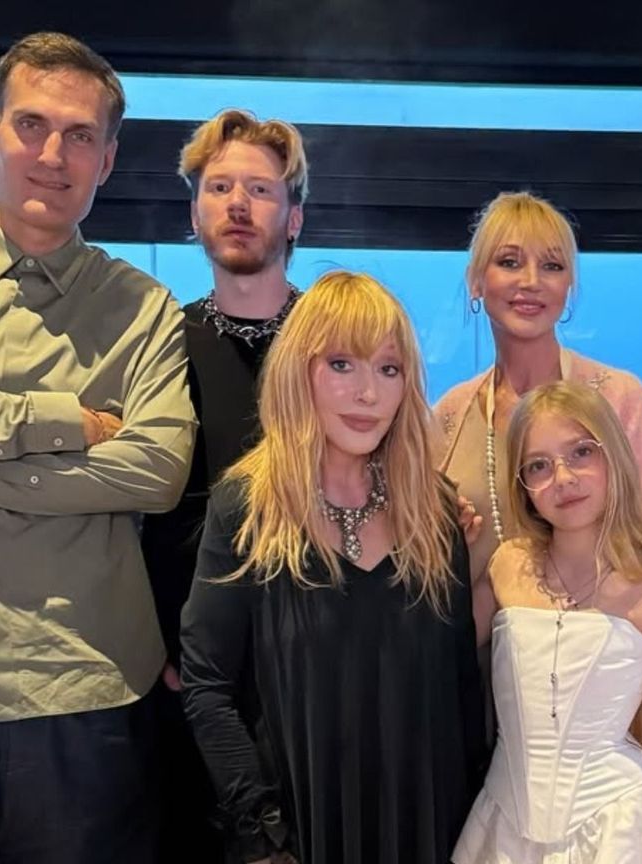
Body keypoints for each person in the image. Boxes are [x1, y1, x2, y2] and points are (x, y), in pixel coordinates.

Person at [0, 31, 195, 863]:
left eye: (79, 136)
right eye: (31, 125)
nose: (52, 155)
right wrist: (63, 420)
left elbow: (156, 470)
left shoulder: (144, 308)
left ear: (106, 161)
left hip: (90, 694)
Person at [181, 271, 487, 864]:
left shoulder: (435, 510)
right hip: (296, 833)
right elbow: (207, 686)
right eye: (343, 364)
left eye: (389, 369)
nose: (368, 393)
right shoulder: (247, 507)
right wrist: (264, 840)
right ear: (299, 372)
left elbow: (459, 691)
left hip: (427, 828)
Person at [140, 108, 308, 861]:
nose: (238, 204)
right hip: (189, 673)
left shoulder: (334, 348)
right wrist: (157, 643)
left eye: (260, 190)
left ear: (294, 217)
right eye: (219, 187)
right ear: (194, 214)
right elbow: (136, 515)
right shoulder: (158, 348)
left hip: (313, 667)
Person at [454, 380, 642, 864]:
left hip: (617, 833)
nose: (563, 478)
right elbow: (435, 655)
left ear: (614, 456)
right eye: (539, 465)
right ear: (522, 486)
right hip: (501, 830)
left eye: (581, 452)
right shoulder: (507, 566)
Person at [435, 191, 642, 587]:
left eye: (551, 266)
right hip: (467, 627)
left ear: (568, 285)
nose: (531, 282)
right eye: (509, 262)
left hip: (599, 626)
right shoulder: (449, 414)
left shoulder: (619, 398)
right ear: (476, 281)